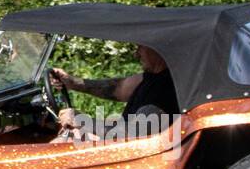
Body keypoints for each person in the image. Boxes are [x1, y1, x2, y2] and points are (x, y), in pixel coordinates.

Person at [51, 44, 179, 119]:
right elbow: (118, 88)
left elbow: (133, 133)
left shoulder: (167, 89)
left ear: (157, 47)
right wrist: (73, 83)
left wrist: (81, 121)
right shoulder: (153, 76)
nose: (136, 54)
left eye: (141, 47)